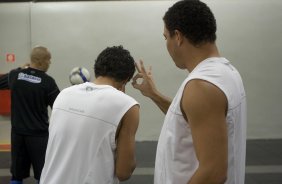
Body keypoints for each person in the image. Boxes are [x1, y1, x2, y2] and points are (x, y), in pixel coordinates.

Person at [132, 0, 247, 184]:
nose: (166, 44)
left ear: (177, 36)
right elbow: (191, 118)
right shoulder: (226, 72)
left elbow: (214, 173)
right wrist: (154, 94)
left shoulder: (202, 86)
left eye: (165, 37)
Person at [40, 45, 140, 184]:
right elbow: (124, 172)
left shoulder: (63, 95)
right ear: (126, 79)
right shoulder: (128, 105)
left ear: (96, 69)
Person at [0, 46, 60, 184]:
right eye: (48, 60)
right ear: (40, 61)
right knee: (43, 175)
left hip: (18, 135)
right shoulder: (48, 82)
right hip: (38, 136)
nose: (49, 63)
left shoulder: (15, 75)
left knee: (16, 175)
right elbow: (58, 106)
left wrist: (19, 69)